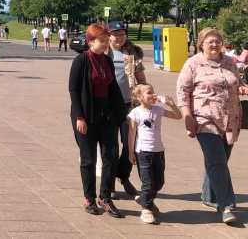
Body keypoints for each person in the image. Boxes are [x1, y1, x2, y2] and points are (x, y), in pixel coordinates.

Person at [177, 27, 248, 225]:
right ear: (201, 44)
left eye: (217, 41)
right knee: (217, 160)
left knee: (218, 160)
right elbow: (183, 91)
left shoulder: (229, 62)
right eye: (210, 41)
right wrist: (187, 116)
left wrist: (241, 88)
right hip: (204, 118)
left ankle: (208, 196)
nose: (214, 44)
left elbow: (237, 81)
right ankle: (226, 205)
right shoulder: (193, 63)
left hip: (231, 119)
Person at [68, 23, 127, 218]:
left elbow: (114, 89)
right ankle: (89, 198)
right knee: (89, 159)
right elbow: (74, 90)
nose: (106, 44)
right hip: (86, 116)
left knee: (110, 156)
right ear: (91, 41)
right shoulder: (81, 61)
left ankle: (105, 197)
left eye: (106, 40)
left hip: (107, 116)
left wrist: (122, 114)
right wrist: (79, 117)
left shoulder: (107, 61)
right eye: (102, 41)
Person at [126, 84, 182, 224]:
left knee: (159, 181)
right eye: (149, 93)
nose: (153, 95)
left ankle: (144, 198)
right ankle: (146, 209)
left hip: (158, 150)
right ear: (139, 97)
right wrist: (130, 152)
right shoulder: (135, 113)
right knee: (148, 182)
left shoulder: (158, 110)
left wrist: (172, 104)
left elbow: (178, 116)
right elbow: (132, 134)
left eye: (153, 92)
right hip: (143, 151)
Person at [106, 20, 147, 199]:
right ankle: (109, 184)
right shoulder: (103, 53)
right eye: (116, 34)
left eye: (122, 34)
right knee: (110, 146)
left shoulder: (131, 54)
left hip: (128, 105)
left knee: (130, 143)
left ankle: (123, 176)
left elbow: (141, 79)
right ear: (108, 36)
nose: (120, 38)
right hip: (107, 105)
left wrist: (147, 97)